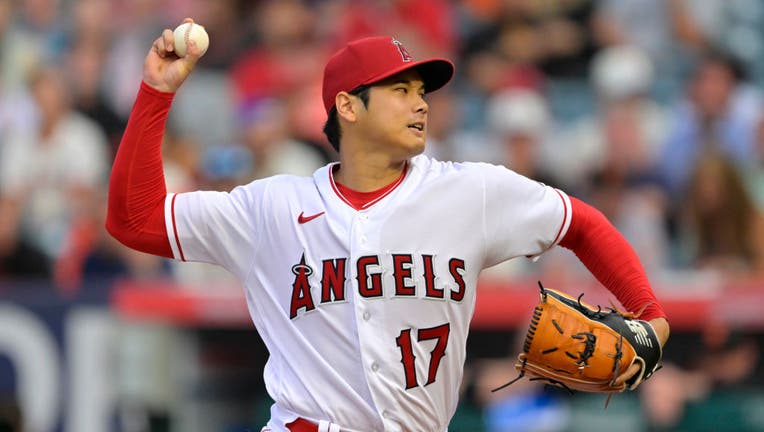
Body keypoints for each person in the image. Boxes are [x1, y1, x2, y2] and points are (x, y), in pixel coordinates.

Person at [106, 18, 670, 432]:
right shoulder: (273, 208)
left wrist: (652, 316)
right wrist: (157, 91)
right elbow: (134, 220)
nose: (420, 104)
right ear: (348, 107)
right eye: (399, 90)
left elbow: (582, 223)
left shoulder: (467, 191)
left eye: (421, 91)